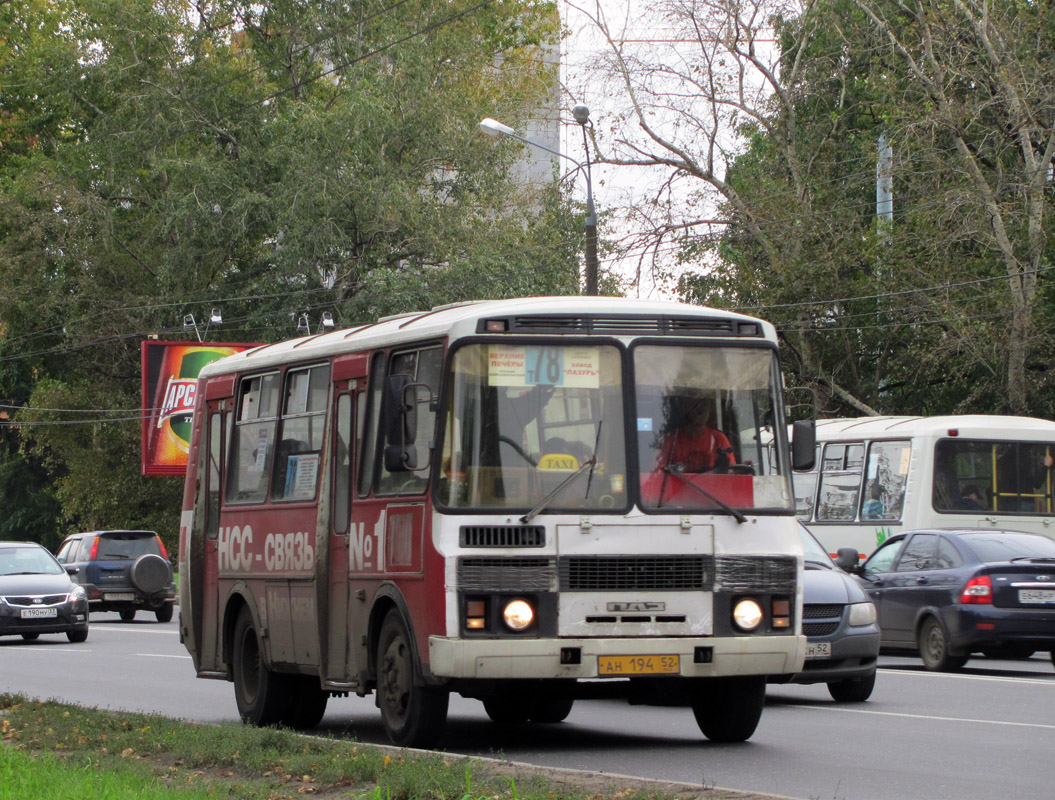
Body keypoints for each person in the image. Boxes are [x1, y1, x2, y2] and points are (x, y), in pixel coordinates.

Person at [654, 393, 736, 473]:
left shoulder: (719, 439)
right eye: (696, 405)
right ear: (686, 409)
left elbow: (731, 472)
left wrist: (724, 470)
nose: (701, 411)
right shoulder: (671, 440)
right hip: (679, 486)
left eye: (705, 405)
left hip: (711, 486)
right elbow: (658, 473)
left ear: (709, 410)